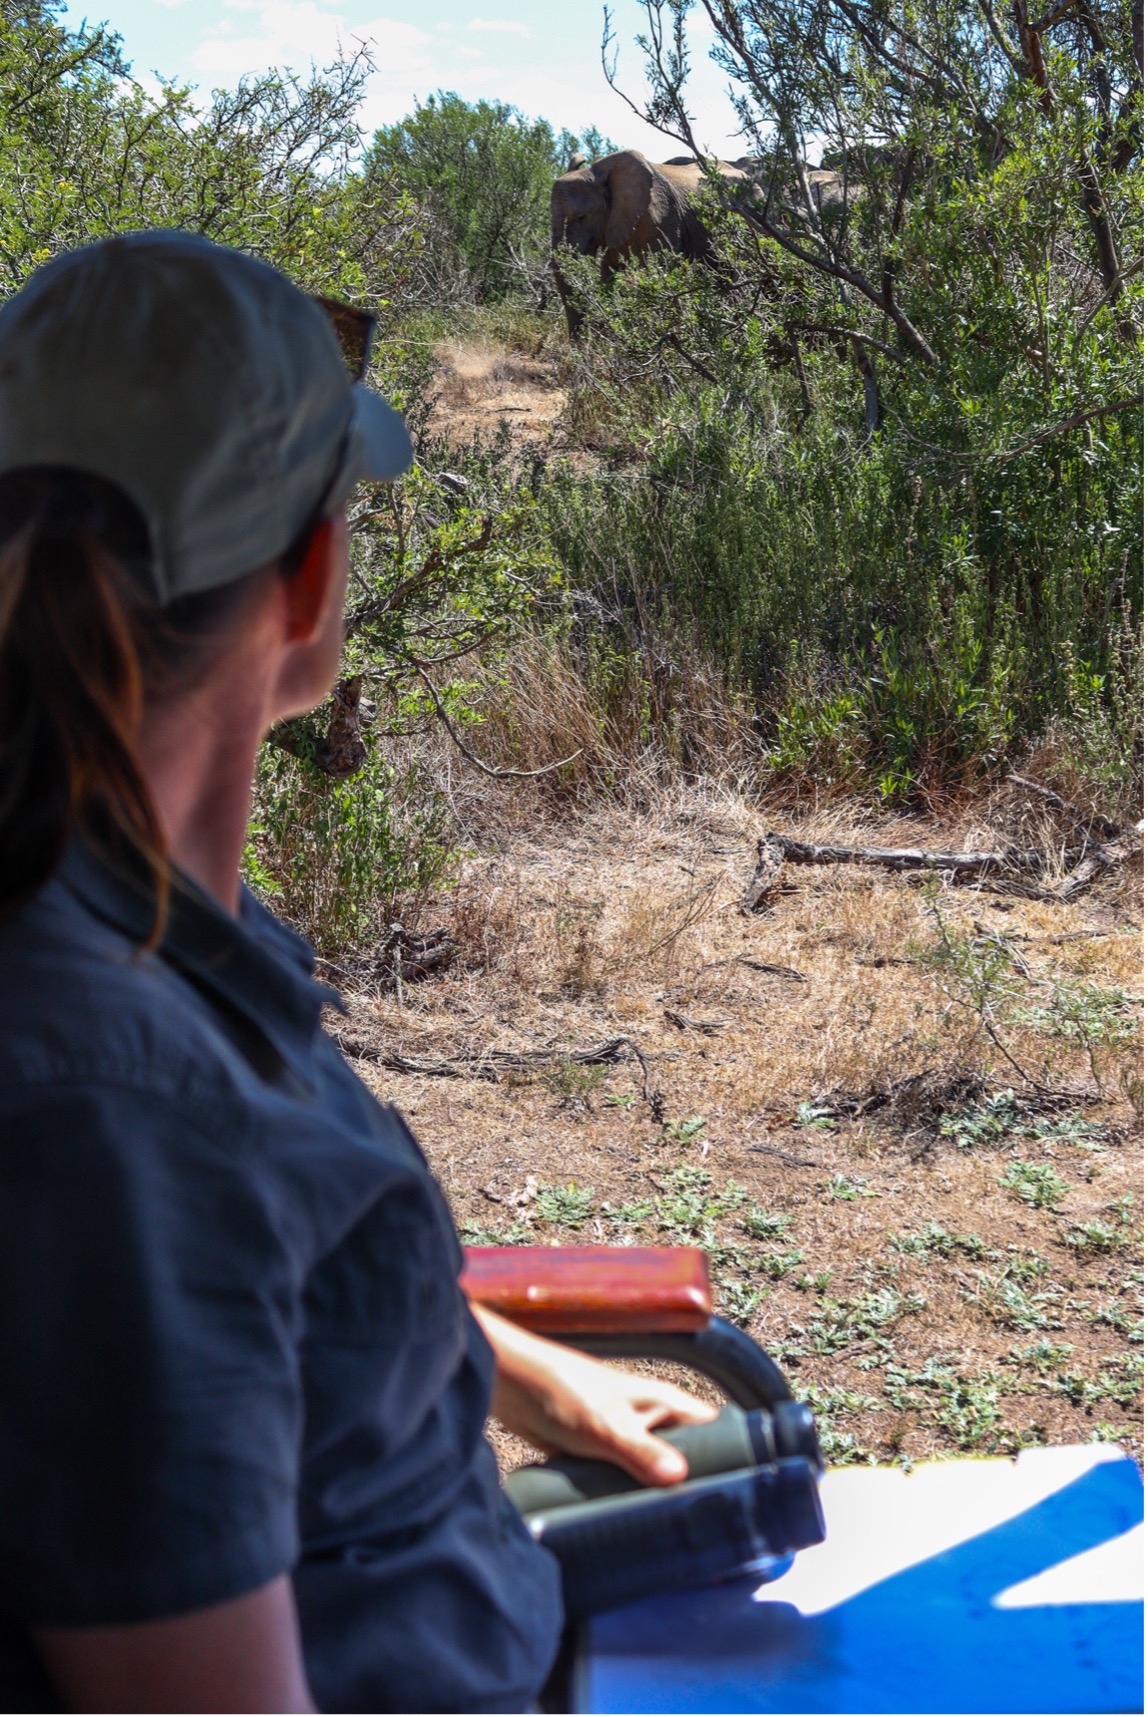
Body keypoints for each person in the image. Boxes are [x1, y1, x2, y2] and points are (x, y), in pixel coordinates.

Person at [0, 231, 715, 1714]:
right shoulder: (114, 1109)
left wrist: (503, 1360)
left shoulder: (120, 912)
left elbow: (243, 1293)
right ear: (313, 572)